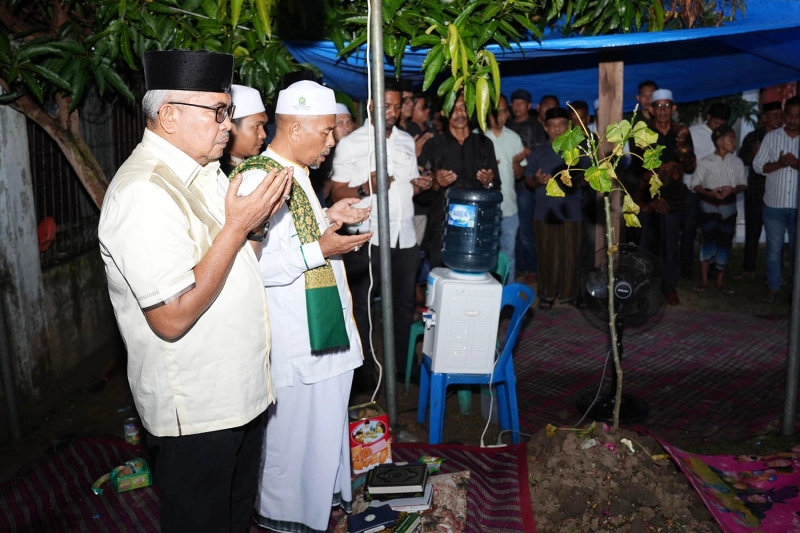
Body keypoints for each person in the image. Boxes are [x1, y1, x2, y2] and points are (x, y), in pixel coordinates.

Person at [98, 49, 292, 533]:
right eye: (218, 111)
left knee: (233, 516)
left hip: (238, 393)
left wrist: (255, 226)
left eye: (228, 111)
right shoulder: (144, 191)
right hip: (200, 409)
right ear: (168, 115)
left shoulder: (205, 172)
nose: (228, 124)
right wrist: (238, 226)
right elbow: (171, 316)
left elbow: (237, 262)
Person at [240, 80, 372, 533]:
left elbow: (297, 238)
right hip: (298, 339)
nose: (332, 142)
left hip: (324, 335)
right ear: (295, 129)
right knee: (294, 448)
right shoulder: (260, 178)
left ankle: (323, 515)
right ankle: (286, 522)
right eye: (326, 132)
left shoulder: (293, 173)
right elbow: (255, 267)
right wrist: (324, 249)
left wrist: (334, 217)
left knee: (322, 441)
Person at [331, 79, 429, 390]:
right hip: (366, 237)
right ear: (372, 104)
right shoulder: (352, 143)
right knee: (361, 307)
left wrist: (422, 184)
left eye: (398, 106)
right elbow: (335, 190)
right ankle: (363, 375)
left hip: (404, 237)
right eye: (387, 105)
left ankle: (401, 370)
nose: (393, 111)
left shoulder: (404, 140)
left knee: (402, 305)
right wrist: (366, 186)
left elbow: (409, 183)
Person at [417, 92, 501, 269]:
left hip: (477, 225)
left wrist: (488, 183)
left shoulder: (485, 144)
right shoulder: (433, 145)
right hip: (442, 226)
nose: (460, 113)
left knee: (473, 274)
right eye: (453, 109)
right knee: (441, 275)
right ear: (444, 113)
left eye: (463, 107)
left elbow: (497, 187)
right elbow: (419, 195)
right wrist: (437, 183)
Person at [632, 88, 696, 306]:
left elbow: (690, 166)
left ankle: (669, 288)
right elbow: (637, 167)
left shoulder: (683, 133)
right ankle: (641, 287)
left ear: (674, 108)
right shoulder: (644, 133)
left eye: (667, 106)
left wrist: (682, 148)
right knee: (645, 245)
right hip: (647, 198)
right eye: (658, 106)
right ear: (651, 109)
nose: (663, 110)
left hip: (674, 198)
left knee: (670, 245)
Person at [524, 107, 587, 309]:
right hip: (544, 210)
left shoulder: (578, 150)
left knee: (571, 254)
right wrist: (537, 179)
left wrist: (574, 179)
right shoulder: (538, 152)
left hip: (571, 210)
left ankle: (570, 293)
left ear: (568, 127)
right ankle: (546, 294)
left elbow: (588, 178)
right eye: (552, 126)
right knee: (545, 254)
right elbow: (528, 180)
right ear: (545, 127)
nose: (557, 130)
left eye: (561, 125)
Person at [752, 96, 800, 303]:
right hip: (774, 204)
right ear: (784, 113)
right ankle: (773, 286)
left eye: (797, 116)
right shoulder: (772, 138)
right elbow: (757, 166)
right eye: (789, 114)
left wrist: (796, 164)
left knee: (797, 252)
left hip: (798, 206)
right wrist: (780, 163)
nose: (792, 119)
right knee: (774, 249)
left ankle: (794, 289)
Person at [690, 125, 747, 294]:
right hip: (709, 205)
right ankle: (705, 280)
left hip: (729, 206)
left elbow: (743, 183)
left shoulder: (737, 162)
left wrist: (733, 190)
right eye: (731, 138)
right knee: (708, 240)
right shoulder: (705, 162)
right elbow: (695, 184)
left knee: (725, 242)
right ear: (719, 141)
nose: (734, 142)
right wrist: (710, 193)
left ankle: (720, 281)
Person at [682, 103, 731, 280]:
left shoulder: (728, 134)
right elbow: (686, 161)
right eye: (716, 123)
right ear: (708, 117)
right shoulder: (693, 133)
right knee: (689, 229)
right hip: (693, 189)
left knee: (713, 231)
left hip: (716, 190)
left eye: (722, 123)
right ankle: (686, 268)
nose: (719, 126)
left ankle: (711, 268)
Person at [737, 101, 784, 279]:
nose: (778, 120)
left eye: (780, 116)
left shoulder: (784, 136)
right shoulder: (753, 137)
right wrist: (754, 155)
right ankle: (748, 268)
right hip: (756, 193)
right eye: (774, 116)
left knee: (776, 237)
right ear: (764, 117)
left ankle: (776, 273)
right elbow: (742, 160)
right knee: (752, 233)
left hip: (778, 194)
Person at [485, 94, 526, 280]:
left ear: (507, 114)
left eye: (502, 112)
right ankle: (488, 296)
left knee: (508, 255)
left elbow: (519, 175)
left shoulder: (514, 138)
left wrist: (516, 163)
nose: (498, 116)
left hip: (509, 207)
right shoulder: (479, 138)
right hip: (486, 209)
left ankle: (506, 296)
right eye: (494, 112)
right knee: (485, 255)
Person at [507, 88, 546, 283]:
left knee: (524, 229)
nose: (517, 106)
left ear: (529, 106)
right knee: (512, 229)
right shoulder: (506, 125)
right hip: (508, 184)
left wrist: (527, 152)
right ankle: (518, 267)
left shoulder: (535, 126)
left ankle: (532, 267)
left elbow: (542, 152)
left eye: (521, 103)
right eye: (514, 103)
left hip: (526, 185)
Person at [308, 102, 355, 205]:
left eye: (349, 122)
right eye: (340, 123)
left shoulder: (356, 149)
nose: (346, 128)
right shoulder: (322, 154)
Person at [220, 84, 268, 176]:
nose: (263, 135)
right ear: (231, 128)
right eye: (256, 126)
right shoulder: (216, 172)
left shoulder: (257, 168)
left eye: (263, 126)